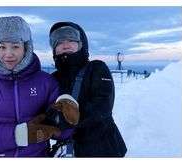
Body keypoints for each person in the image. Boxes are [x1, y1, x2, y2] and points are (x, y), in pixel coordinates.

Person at [0, 16, 73, 157]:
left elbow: (60, 133)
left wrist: (66, 119)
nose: (8, 54)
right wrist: (20, 135)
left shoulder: (47, 83)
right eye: (2, 47)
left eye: (15, 46)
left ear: (26, 47)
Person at [48, 22, 127, 157]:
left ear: (81, 44)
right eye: (60, 42)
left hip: (103, 148)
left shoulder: (96, 68)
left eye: (71, 40)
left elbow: (103, 106)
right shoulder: (52, 79)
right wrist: (53, 119)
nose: (65, 45)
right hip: (68, 151)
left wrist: (67, 119)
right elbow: (47, 110)